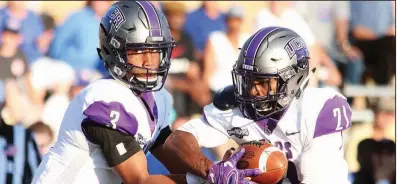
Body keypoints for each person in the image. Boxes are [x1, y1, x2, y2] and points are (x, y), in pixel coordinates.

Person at [32, 2, 258, 184]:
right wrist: (207, 180)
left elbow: (170, 152)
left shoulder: (156, 98)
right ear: (114, 51)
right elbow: (139, 179)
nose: (150, 62)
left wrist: (212, 170)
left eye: (155, 51)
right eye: (139, 51)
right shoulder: (104, 99)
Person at [164, 27, 352, 184]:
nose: (253, 91)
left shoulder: (318, 109)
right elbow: (177, 141)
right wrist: (211, 171)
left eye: (263, 82)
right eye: (248, 80)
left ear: (293, 80)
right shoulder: (235, 105)